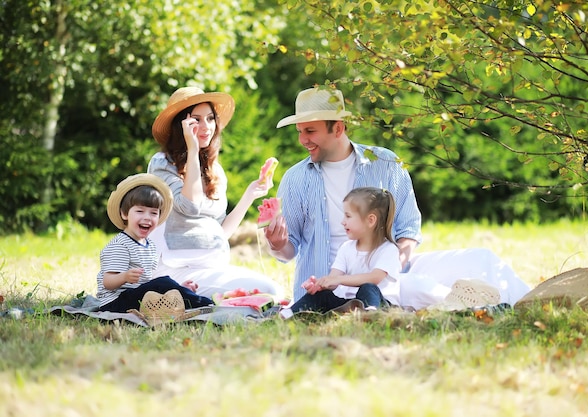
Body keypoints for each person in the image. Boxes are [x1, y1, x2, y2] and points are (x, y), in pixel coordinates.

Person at [265, 87, 531, 307]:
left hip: (391, 275)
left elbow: (408, 229)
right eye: (299, 131)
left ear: (338, 128)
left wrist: (389, 270)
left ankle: (526, 303)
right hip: (328, 289)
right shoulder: (296, 179)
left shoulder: (386, 164)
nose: (302, 140)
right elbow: (289, 251)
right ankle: (463, 305)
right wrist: (277, 244)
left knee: (480, 259)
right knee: (422, 291)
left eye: (310, 131)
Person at [147, 86, 283, 299]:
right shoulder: (161, 164)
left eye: (210, 119)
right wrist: (192, 149)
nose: (206, 126)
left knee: (272, 290)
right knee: (264, 295)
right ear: (180, 125)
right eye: (197, 120)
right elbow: (190, 205)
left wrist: (249, 195)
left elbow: (221, 233)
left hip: (211, 269)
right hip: (175, 271)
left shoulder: (215, 170)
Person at [97, 173, 214, 313]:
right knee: (163, 282)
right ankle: (202, 303)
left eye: (153, 213)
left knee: (163, 284)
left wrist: (177, 288)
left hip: (138, 298)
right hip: (115, 303)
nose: (147, 218)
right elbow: (107, 282)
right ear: (124, 214)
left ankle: (183, 295)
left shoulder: (150, 246)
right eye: (140, 211)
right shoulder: (120, 245)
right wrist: (124, 277)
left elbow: (148, 285)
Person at [280, 187, 402, 318]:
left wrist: (339, 279)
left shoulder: (388, 249)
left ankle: (370, 316)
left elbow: (374, 278)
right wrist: (320, 285)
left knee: (368, 288)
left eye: (348, 216)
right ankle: (288, 314)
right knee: (322, 296)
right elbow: (334, 279)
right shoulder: (346, 248)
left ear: (371, 220)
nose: (343, 222)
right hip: (350, 304)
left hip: (381, 304)